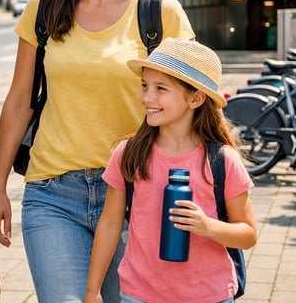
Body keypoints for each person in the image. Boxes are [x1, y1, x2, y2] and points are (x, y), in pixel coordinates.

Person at [0, 0, 195, 303]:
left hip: (135, 191)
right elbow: (19, 101)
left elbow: (191, 101)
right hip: (52, 193)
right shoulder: (43, 7)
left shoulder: (158, 11)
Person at [84, 38, 257, 303]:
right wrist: (92, 290)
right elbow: (109, 223)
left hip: (209, 295)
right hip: (138, 294)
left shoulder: (222, 161)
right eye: (145, 86)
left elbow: (247, 235)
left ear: (196, 98)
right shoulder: (129, 154)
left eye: (160, 88)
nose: (146, 97)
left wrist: (208, 226)